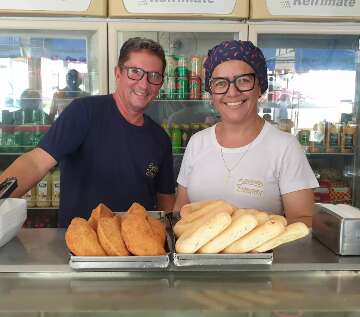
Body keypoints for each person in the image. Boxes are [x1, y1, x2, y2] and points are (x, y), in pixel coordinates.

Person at [0, 37, 176, 227]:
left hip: (135, 249)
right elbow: (35, 163)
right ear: (118, 73)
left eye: (154, 76)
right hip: (79, 246)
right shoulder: (84, 112)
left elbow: (165, 200)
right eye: (135, 72)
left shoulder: (160, 139)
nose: (144, 84)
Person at [173, 40, 318, 226]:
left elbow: (302, 221)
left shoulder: (285, 147)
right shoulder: (197, 142)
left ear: (260, 86)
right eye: (220, 83)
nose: (232, 92)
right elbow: (181, 211)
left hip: (266, 255)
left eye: (243, 80)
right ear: (212, 92)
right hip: (196, 255)